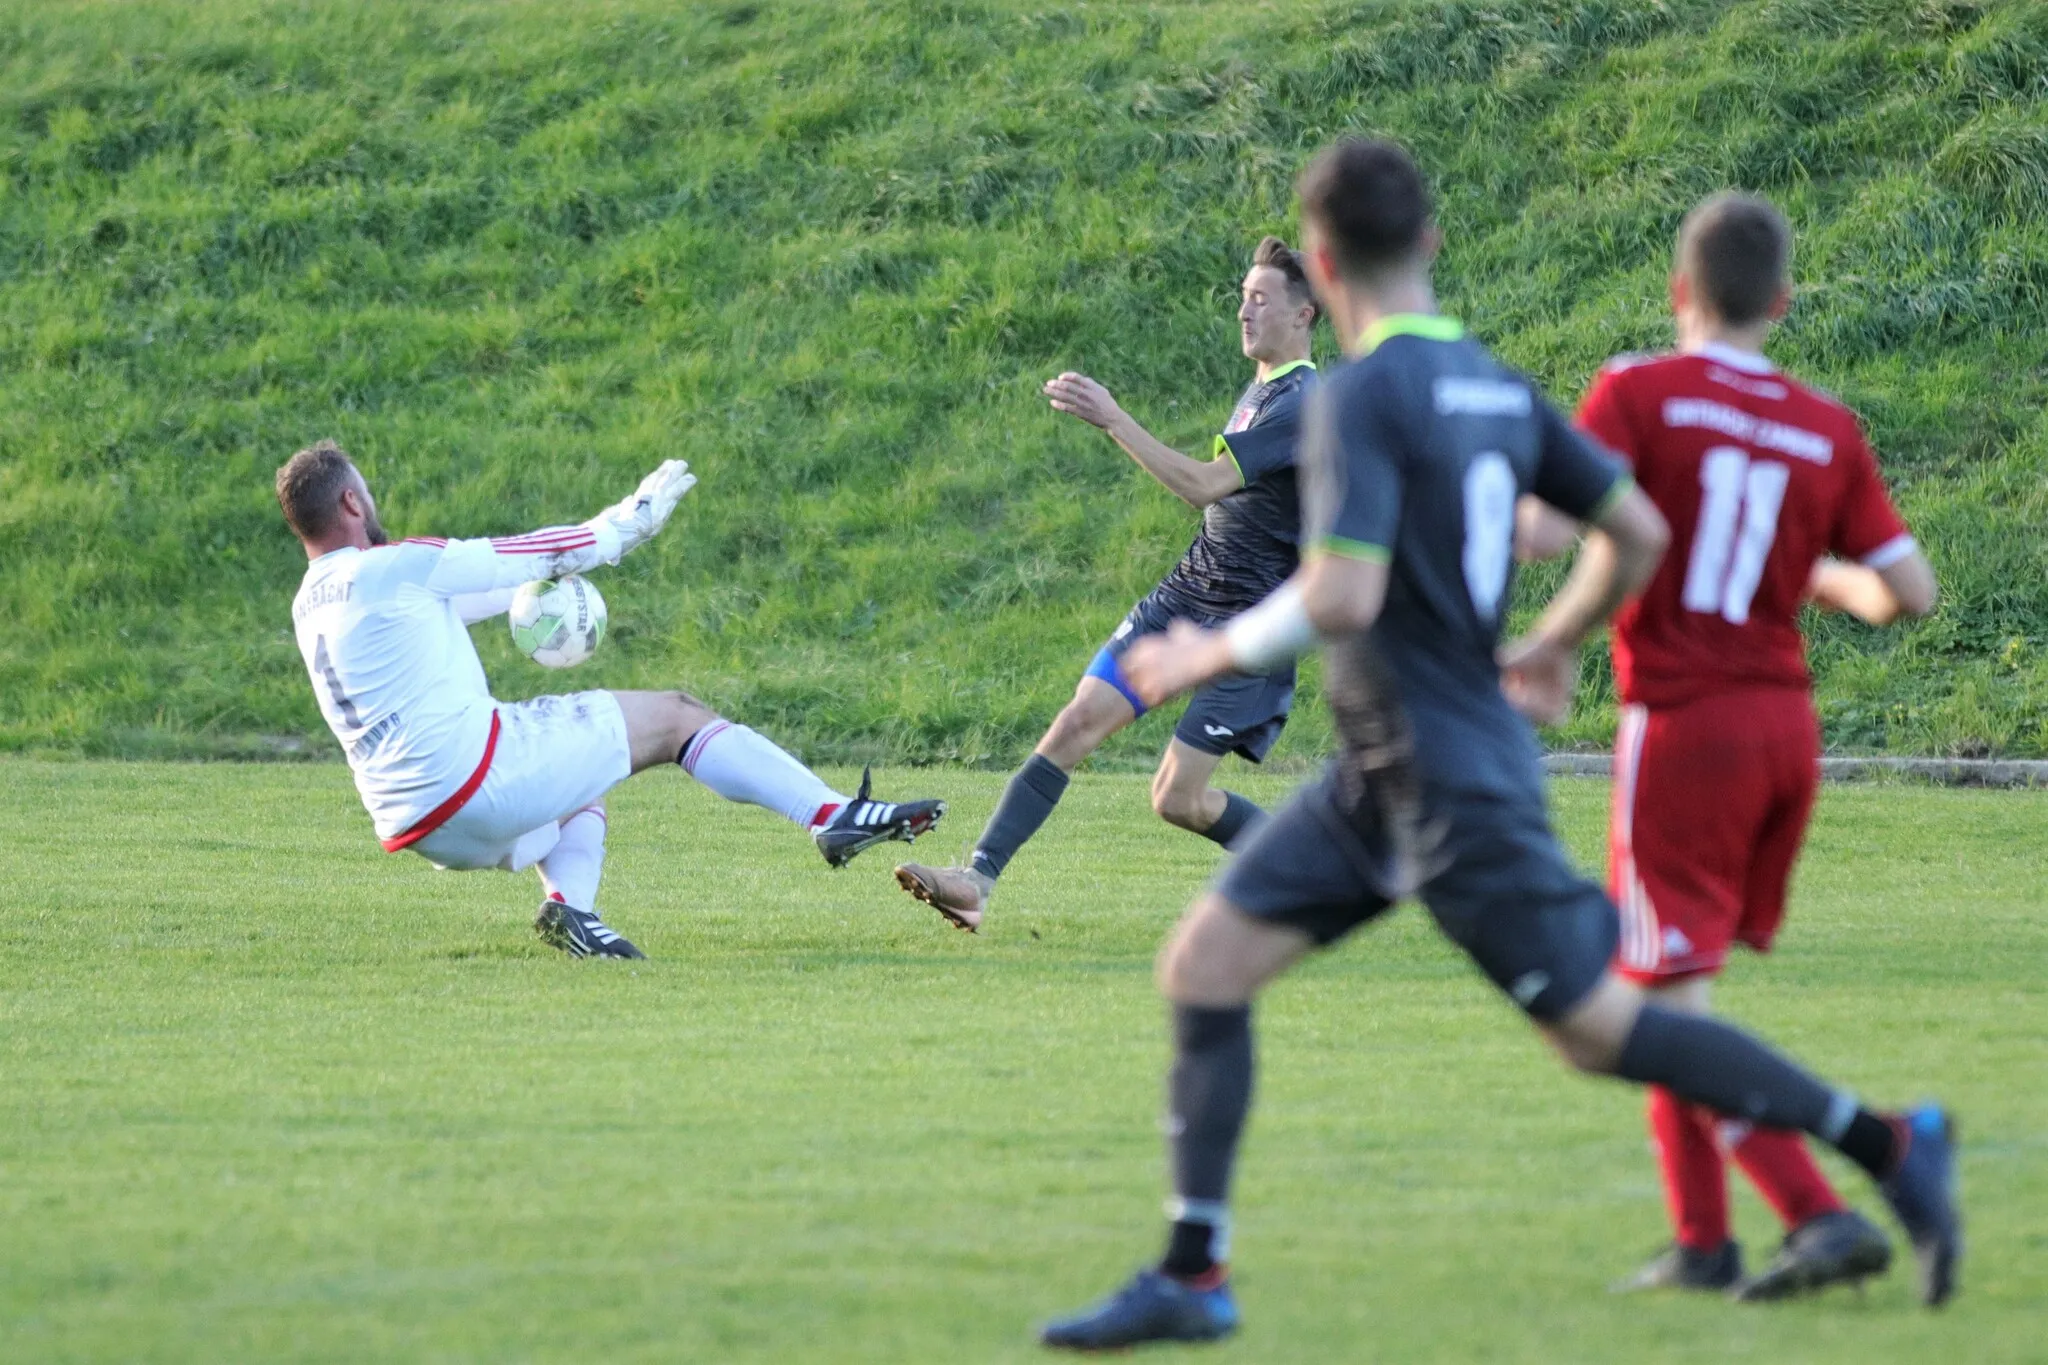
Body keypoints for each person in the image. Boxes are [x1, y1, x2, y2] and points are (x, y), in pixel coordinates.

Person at [1036, 140, 1960, 1352]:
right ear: (1426, 242)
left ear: (1321, 263)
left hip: (1450, 777)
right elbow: (1633, 528)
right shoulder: (1492, 385)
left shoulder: (1359, 395)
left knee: (1599, 1032)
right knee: (1203, 968)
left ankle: (1885, 1142)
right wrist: (1561, 640)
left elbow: (1343, 592)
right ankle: (1191, 1274)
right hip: (1381, 771)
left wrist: (1203, 652)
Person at [1516, 192, 1939, 1301]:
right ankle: (1703, 1242)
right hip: (1784, 732)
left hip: (1685, 724)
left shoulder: (1638, 390)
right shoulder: (1824, 426)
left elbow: (1547, 530)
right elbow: (1909, 590)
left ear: (1678, 292)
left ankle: (1827, 1202)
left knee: (1653, 1013)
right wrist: (1813, 577)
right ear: (1782, 302)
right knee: (1668, 986)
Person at [278, 441, 944, 959]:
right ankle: (830, 815)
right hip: (476, 779)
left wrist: (537, 592)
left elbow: (468, 596)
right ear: (352, 503)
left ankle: (571, 911)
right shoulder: (396, 564)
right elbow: (529, 552)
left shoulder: (309, 605)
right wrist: (628, 523)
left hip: (421, 827)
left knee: (582, 778)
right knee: (677, 715)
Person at [895, 237, 1319, 932]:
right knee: (1075, 723)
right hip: (1184, 598)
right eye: (1243, 297)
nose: (1244, 311)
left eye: (1261, 299)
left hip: (1248, 630)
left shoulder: (1303, 402)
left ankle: (1309, 866)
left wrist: (1113, 418)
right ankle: (976, 881)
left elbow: (1203, 485)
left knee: (1178, 799)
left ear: (1304, 314)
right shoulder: (1264, 389)